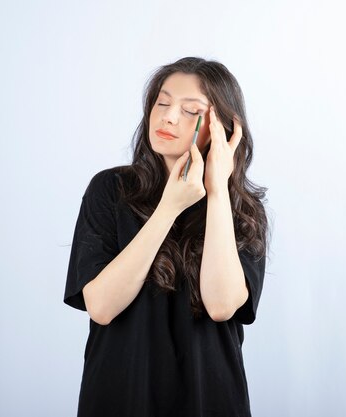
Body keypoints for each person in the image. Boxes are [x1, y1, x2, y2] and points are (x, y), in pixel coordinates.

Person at [63, 57, 270, 417]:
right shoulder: (109, 190)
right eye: (162, 102)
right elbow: (101, 306)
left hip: (211, 400)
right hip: (119, 397)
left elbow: (222, 306)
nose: (169, 117)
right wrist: (168, 209)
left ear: (221, 129)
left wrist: (217, 191)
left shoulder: (242, 211)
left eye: (191, 111)